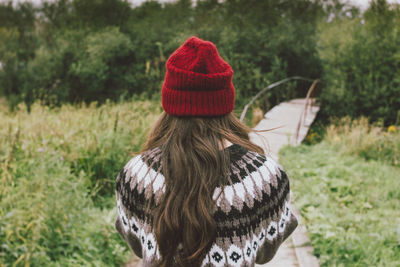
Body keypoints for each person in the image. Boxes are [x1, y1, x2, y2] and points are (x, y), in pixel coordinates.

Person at [115, 36, 298, 267]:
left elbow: (137, 245)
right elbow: (265, 252)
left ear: (170, 101)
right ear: (225, 102)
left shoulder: (136, 174)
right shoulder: (266, 177)